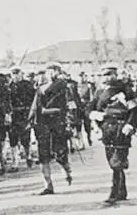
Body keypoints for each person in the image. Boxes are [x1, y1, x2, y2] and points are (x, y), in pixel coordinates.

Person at [89, 64, 137, 204]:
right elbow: (90, 107)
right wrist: (94, 115)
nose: (106, 77)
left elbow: (136, 110)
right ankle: (122, 191)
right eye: (103, 75)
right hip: (107, 129)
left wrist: (130, 124)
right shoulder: (99, 92)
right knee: (111, 160)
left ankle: (115, 192)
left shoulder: (125, 90)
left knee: (116, 161)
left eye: (109, 74)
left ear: (115, 75)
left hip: (121, 128)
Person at [28, 62, 73, 195]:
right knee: (43, 156)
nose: (51, 73)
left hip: (58, 124)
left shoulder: (65, 87)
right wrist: (31, 121)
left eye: (54, 70)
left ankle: (67, 171)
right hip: (42, 125)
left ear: (59, 72)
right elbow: (35, 107)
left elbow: (71, 106)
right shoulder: (40, 88)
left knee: (60, 154)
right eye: (48, 71)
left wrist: (69, 121)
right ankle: (47, 185)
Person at [9, 67, 36, 169]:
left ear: (21, 74)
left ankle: (28, 155)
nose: (15, 76)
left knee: (25, 138)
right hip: (14, 115)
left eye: (17, 73)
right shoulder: (9, 86)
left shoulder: (28, 85)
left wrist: (31, 114)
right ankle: (15, 163)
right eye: (13, 74)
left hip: (25, 114)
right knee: (13, 139)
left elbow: (33, 100)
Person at [76, 71, 96, 146]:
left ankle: (89, 137)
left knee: (87, 124)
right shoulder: (76, 85)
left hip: (86, 105)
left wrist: (89, 106)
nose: (81, 78)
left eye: (83, 76)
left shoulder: (89, 85)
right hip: (78, 106)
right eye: (80, 76)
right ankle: (80, 141)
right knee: (78, 124)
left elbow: (92, 97)